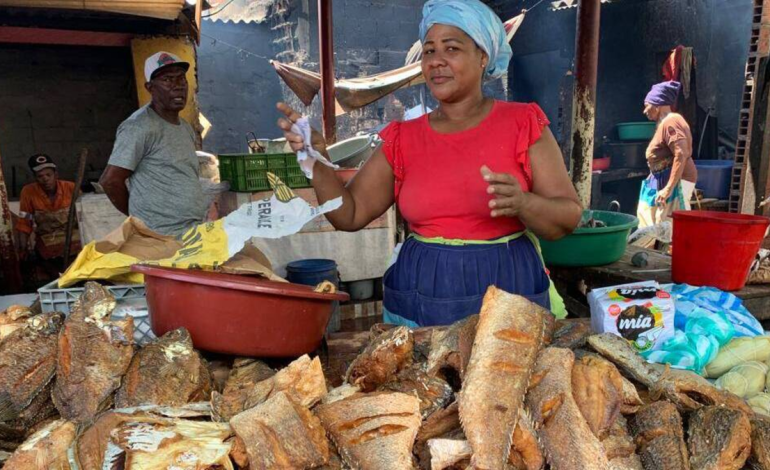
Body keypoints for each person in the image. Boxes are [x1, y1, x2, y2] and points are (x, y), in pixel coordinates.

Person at [277, 0, 582, 327]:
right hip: (423, 292)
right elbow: (348, 214)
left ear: (483, 57)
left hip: (508, 289)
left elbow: (567, 217)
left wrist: (524, 203)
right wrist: (316, 161)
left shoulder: (523, 123)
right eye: (429, 51)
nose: (436, 61)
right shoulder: (403, 138)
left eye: (452, 48)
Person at [99, 51, 208, 237]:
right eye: (167, 80)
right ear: (150, 88)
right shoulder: (139, 127)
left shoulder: (185, 128)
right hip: (160, 236)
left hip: (191, 230)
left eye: (181, 79)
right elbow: (110, 181)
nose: (178, 86)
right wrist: (140, 221)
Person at [637, 80, 698, 233]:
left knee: (671, 228)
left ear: (657, 104)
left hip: (675, 183)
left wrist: (668, 189)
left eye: (647, 106)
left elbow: (681, 153)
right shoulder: (665, 123)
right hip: (661, 179)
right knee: (653, 225)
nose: (644, 111)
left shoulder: (671, 121)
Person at [15, 154, 81, 281]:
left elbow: (84, 218)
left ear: (56, 175)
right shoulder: (28, 192)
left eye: (48, 175)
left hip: (73, 239)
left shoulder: (71, 188)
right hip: (47, 242)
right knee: (54, 273)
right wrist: (23, 249)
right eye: (40, 176)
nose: (45, 179)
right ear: (35, 178)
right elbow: (24, 222)